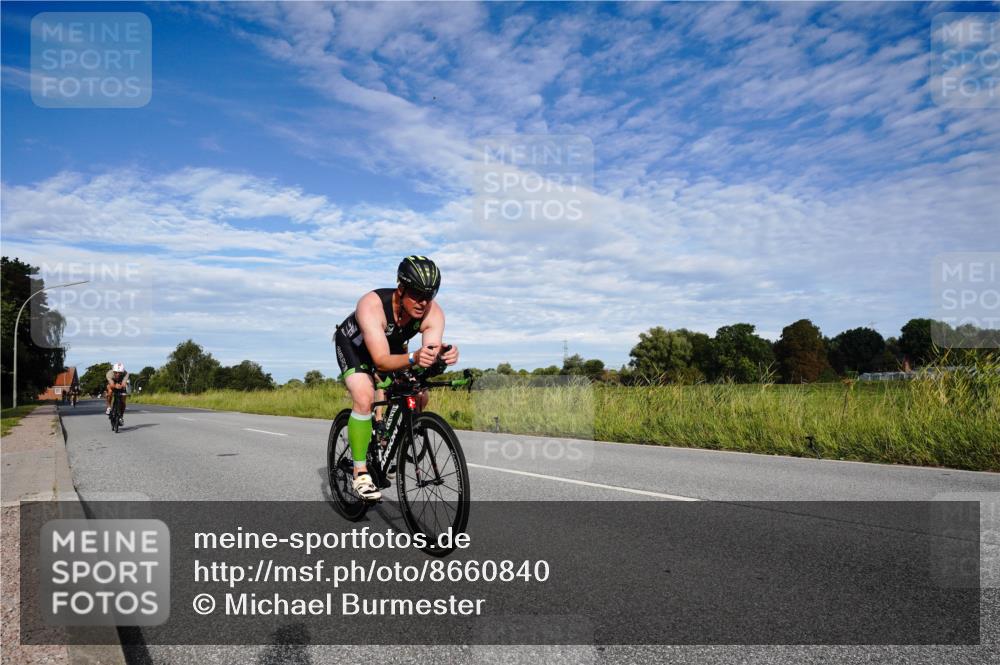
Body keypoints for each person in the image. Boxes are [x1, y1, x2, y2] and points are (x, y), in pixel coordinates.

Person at [333, 256, 459, 500]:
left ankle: (388, 446)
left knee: (419, 394)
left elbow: (428, 354)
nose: (423, 302)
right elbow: (381, 361)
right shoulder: (372, 305)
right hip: (354, 347)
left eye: (430, 295)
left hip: (390, 347)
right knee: (364, 396)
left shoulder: (433, 313)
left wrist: (442, 356)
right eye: (417, 294)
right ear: (400, 288)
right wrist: (413, 357)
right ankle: (360, 473)